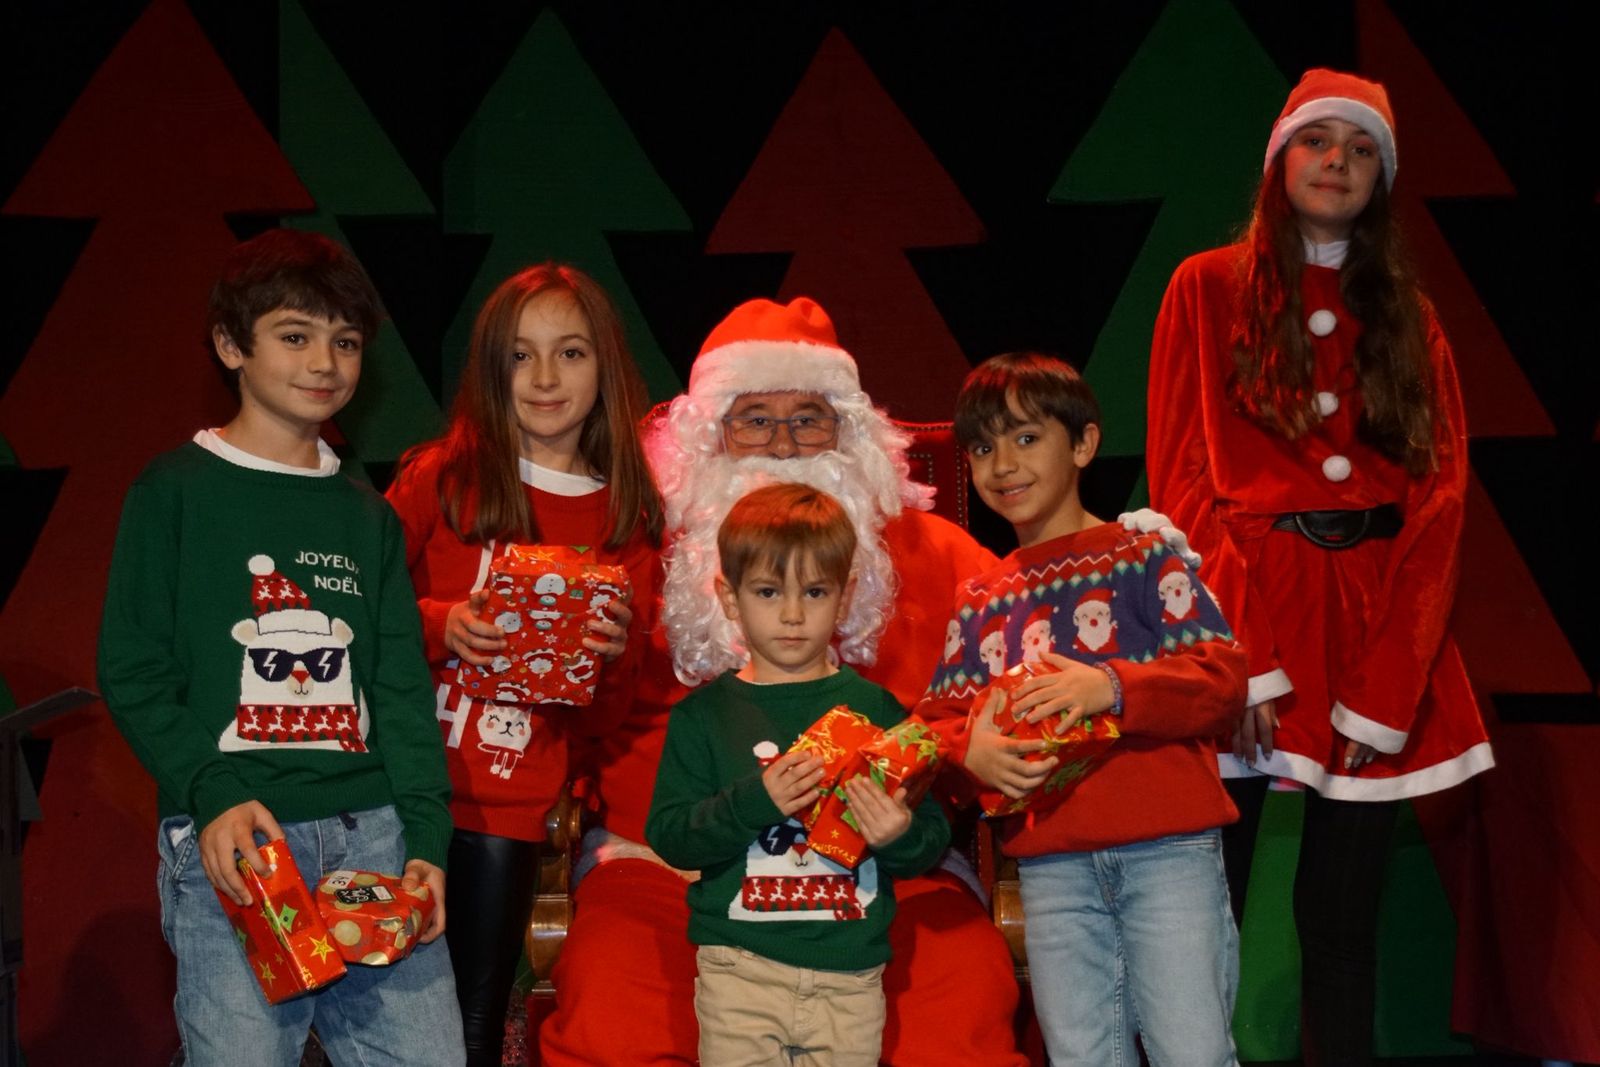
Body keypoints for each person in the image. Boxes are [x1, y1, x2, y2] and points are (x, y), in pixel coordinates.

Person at [541, 296, 1030, 1066]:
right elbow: (576, 714)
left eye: (809, 417)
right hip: (667, 866)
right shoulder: (642, 546)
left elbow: (1036, 658)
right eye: (754, 419)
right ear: (708, 436)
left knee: (956, 1005)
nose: (784, 443)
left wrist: (973, 745)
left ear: (850, 432)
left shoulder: (932, 550)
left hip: (888, 865)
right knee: (616, 1015)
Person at [1145, 69, 1494, 1064]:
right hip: (1254, 611)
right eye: (1317, 141)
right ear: (1277, 160)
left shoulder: (1408, 314)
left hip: (1376, 625)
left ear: (1380, 176)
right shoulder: (1205, 286)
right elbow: (1181, 480)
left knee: (1340, 924)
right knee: (1205, 910)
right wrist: (1239, 658)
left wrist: (1389, 686)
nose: (1336, 160)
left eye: (1359, 146)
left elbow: (1439, 502)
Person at [97, 229, 464, 1066]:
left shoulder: (365, 514)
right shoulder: (174, 492)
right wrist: (213, 789)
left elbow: (401, 688)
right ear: (232, 345)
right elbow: (133, 667)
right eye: (295, 336)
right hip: (239, 841)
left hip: (373, 839)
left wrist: (424, 843)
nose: (324, 362)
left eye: (345, 341)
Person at [919, 352, 1247, 1066]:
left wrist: (1113, 687)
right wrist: (968, 750)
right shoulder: (981, 597)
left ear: (1085, 443)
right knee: (1080, 1053)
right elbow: (936, 721)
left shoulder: (1143, 555)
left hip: (1169, 851)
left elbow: (1223, 677)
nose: (1003, 462)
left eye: (1027, 437)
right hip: (1052, 866)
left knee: (1191, 1048)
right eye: (982, 447)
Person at [382, 264, 663, 1066]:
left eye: (570, 353)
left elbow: (606, 717)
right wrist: (442, 625)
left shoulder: (624, 513)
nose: (544, 379)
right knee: (370, 997)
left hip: (504, 803)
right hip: (397, 783)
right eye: (521, 355)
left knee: (471, 1012)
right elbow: (358, 616)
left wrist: (608, 659)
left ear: (604, 367)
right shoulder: (443, 476)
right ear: (490, 368)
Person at [646, 483, 950, 1065]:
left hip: (850, 972)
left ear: (844, 597)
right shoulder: (702, 717)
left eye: (814, 592)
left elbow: (927, 843)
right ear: (729, 599)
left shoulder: (880, 712)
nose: (791, 614)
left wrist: (898, 834)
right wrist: (756, 800)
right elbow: (672, 835)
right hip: (740, 966)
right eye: (767, 591)